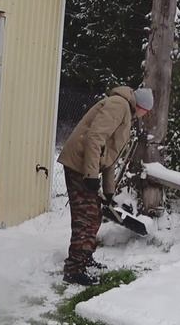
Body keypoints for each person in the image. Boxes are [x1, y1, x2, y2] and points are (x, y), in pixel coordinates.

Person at [57, 86, 154, 286]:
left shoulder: (126, 112)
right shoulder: (119, 105)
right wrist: (91, 175)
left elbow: (109, 155)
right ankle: (74, 269)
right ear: (143, 107)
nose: (146, 115)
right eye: (147, 111)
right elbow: (95, 137)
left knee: (94, 214)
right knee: (87, 215)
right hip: (79, 165)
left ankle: (84, 258)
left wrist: (109, 192)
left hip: (85, 166)